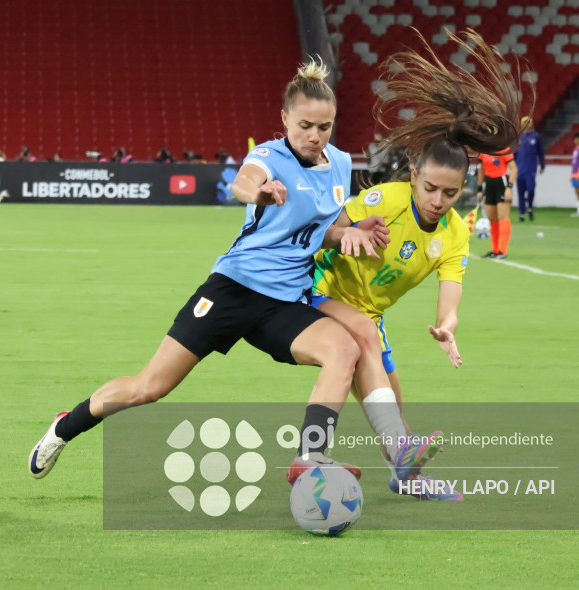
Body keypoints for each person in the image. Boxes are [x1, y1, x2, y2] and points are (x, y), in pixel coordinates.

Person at [28, 59, 432, 487]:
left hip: (285, 303)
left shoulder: (340, 164)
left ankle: (311, 456)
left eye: (325, 127)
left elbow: (317, 233)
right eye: (305, 126)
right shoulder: (269, 156)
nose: (315, 136)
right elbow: (243, 182)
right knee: (149, 387)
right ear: (284, 119)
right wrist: (258, 192)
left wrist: (350, 231)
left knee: (344, 350)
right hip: (233, 290)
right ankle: (64, 426)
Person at [313, 29, 525, 500]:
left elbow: (451, 295)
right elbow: (324, 233)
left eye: (449, 192)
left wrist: (447, 326)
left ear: (463, 189)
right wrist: (348, 235)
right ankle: (317, 458)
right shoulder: (386, 200)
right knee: (366, 358)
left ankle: (404, 477)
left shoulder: (454, 233)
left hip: (368, 311)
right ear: (414, 176)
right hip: (320, 291)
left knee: (392, 401)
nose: (437, 200)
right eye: (429, 188)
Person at [477, 149, 517, 259]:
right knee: (492, 218)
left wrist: (509, 187)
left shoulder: (504, 149)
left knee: (503, 217)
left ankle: (502, 250)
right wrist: (479, 189)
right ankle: (495, 250)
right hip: (489, 185)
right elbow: (481, 170)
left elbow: (513, 168)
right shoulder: (483, 150)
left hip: (501, 184)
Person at [514, 116, 545, 222]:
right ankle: (522, 213)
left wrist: (542, 165)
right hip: (519, 168)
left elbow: (540, 152)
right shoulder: (518, 137)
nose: (526, 124)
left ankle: (530, 206)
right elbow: (514, 154)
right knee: (521, 192)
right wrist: (513, 167)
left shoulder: (536, 136)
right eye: (525, 122)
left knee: (531, 189)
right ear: (521, 124)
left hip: (531, 169)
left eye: (528, 122)